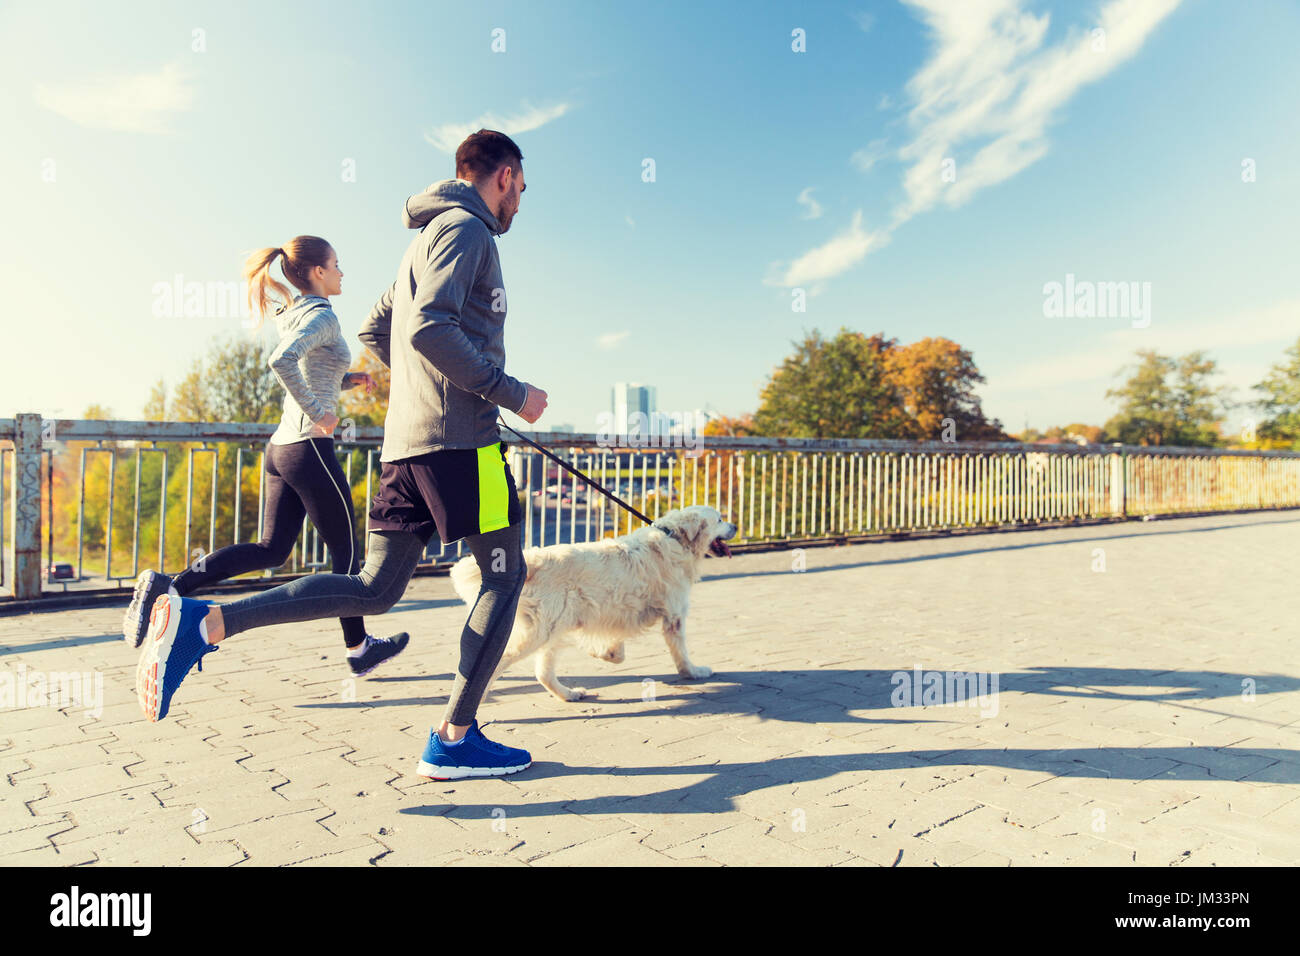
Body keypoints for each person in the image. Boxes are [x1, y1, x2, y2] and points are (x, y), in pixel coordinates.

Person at [135, 130, 549, 783]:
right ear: (503, 176)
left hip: (407, 443)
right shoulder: (469, 231)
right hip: (463, 446)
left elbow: (377, 330)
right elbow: (428, 329)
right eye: (520, 189)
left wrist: (422, 389)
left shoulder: (423, 242)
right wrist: (509, 393)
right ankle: (454, 739)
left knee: (374, 589)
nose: (520, 203)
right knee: (502, 578)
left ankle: (204, 622)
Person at [125, 237, 410, 679]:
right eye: (336, 265)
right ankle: (358, 650)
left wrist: (346, 379)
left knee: (272, 548)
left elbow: (309, 368)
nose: (341, 273)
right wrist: (320, 413)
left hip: (281, 449)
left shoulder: (293, 311)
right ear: (317, 271)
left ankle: (172, 585)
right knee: (349, 556)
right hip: (308, 448)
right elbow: (284, 360)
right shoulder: (320, 314)